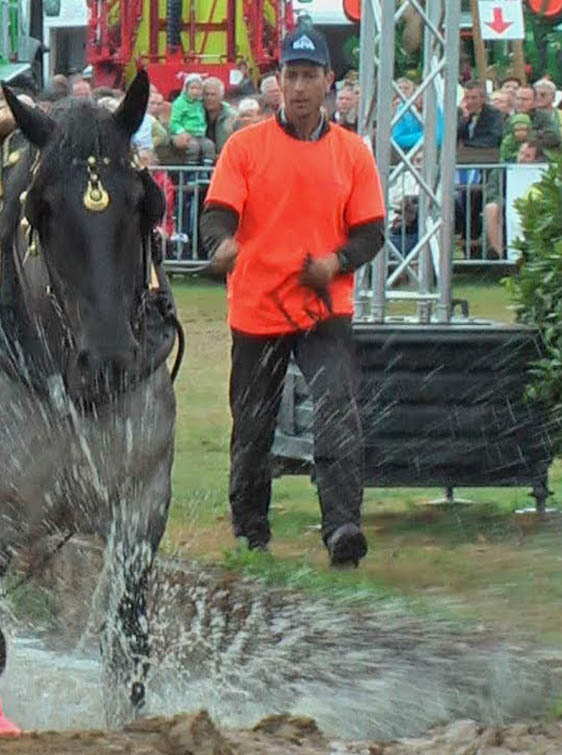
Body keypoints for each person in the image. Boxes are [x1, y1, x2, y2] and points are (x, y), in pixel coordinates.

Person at [200, 27, 385, 568]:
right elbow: (216, 213)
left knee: (337, 414)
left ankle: (343, 527)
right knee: (253, 424)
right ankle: (251, 529)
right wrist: (221, 244)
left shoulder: (352, 153)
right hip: (257, 307)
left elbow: (371, 232)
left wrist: (336, 262)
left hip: (323, 309)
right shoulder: (245, 146)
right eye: (291, 76)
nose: (300, 87)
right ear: (278, 82)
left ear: (329, 82)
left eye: (309, 76)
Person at [168, 74, 216, 165]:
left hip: (200, 135)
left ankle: (205, 172)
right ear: (186, 89)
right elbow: (174, 122)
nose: (195, 91)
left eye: (198, 88)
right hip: (187, 135)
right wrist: (181, 132)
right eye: (192, 88)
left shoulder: (201, 102)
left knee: (209, 146)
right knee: (193, 147)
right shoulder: (179, 103)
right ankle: (191, 173)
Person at [528, 80, 562, 162]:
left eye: (543, 95)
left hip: (559, 160)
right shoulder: (528, 115)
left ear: (553, 97)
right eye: (536, 95)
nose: (538, 97)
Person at [457, 81, 504, 149]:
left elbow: (495, 137)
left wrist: (467, 144)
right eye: (467, 97)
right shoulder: (459, 112)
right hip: (460, 155)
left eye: (474, 98)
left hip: (486, 154)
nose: (470, 101)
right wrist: (464, 119)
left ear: (483, 99)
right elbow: (452, 136)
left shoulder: (494, 114)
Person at [201, 76, 237, 154]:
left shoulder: (232, 117)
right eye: (206, 94)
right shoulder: (194, 114)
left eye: (213, 95)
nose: (209, 98)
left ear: (221, 97)